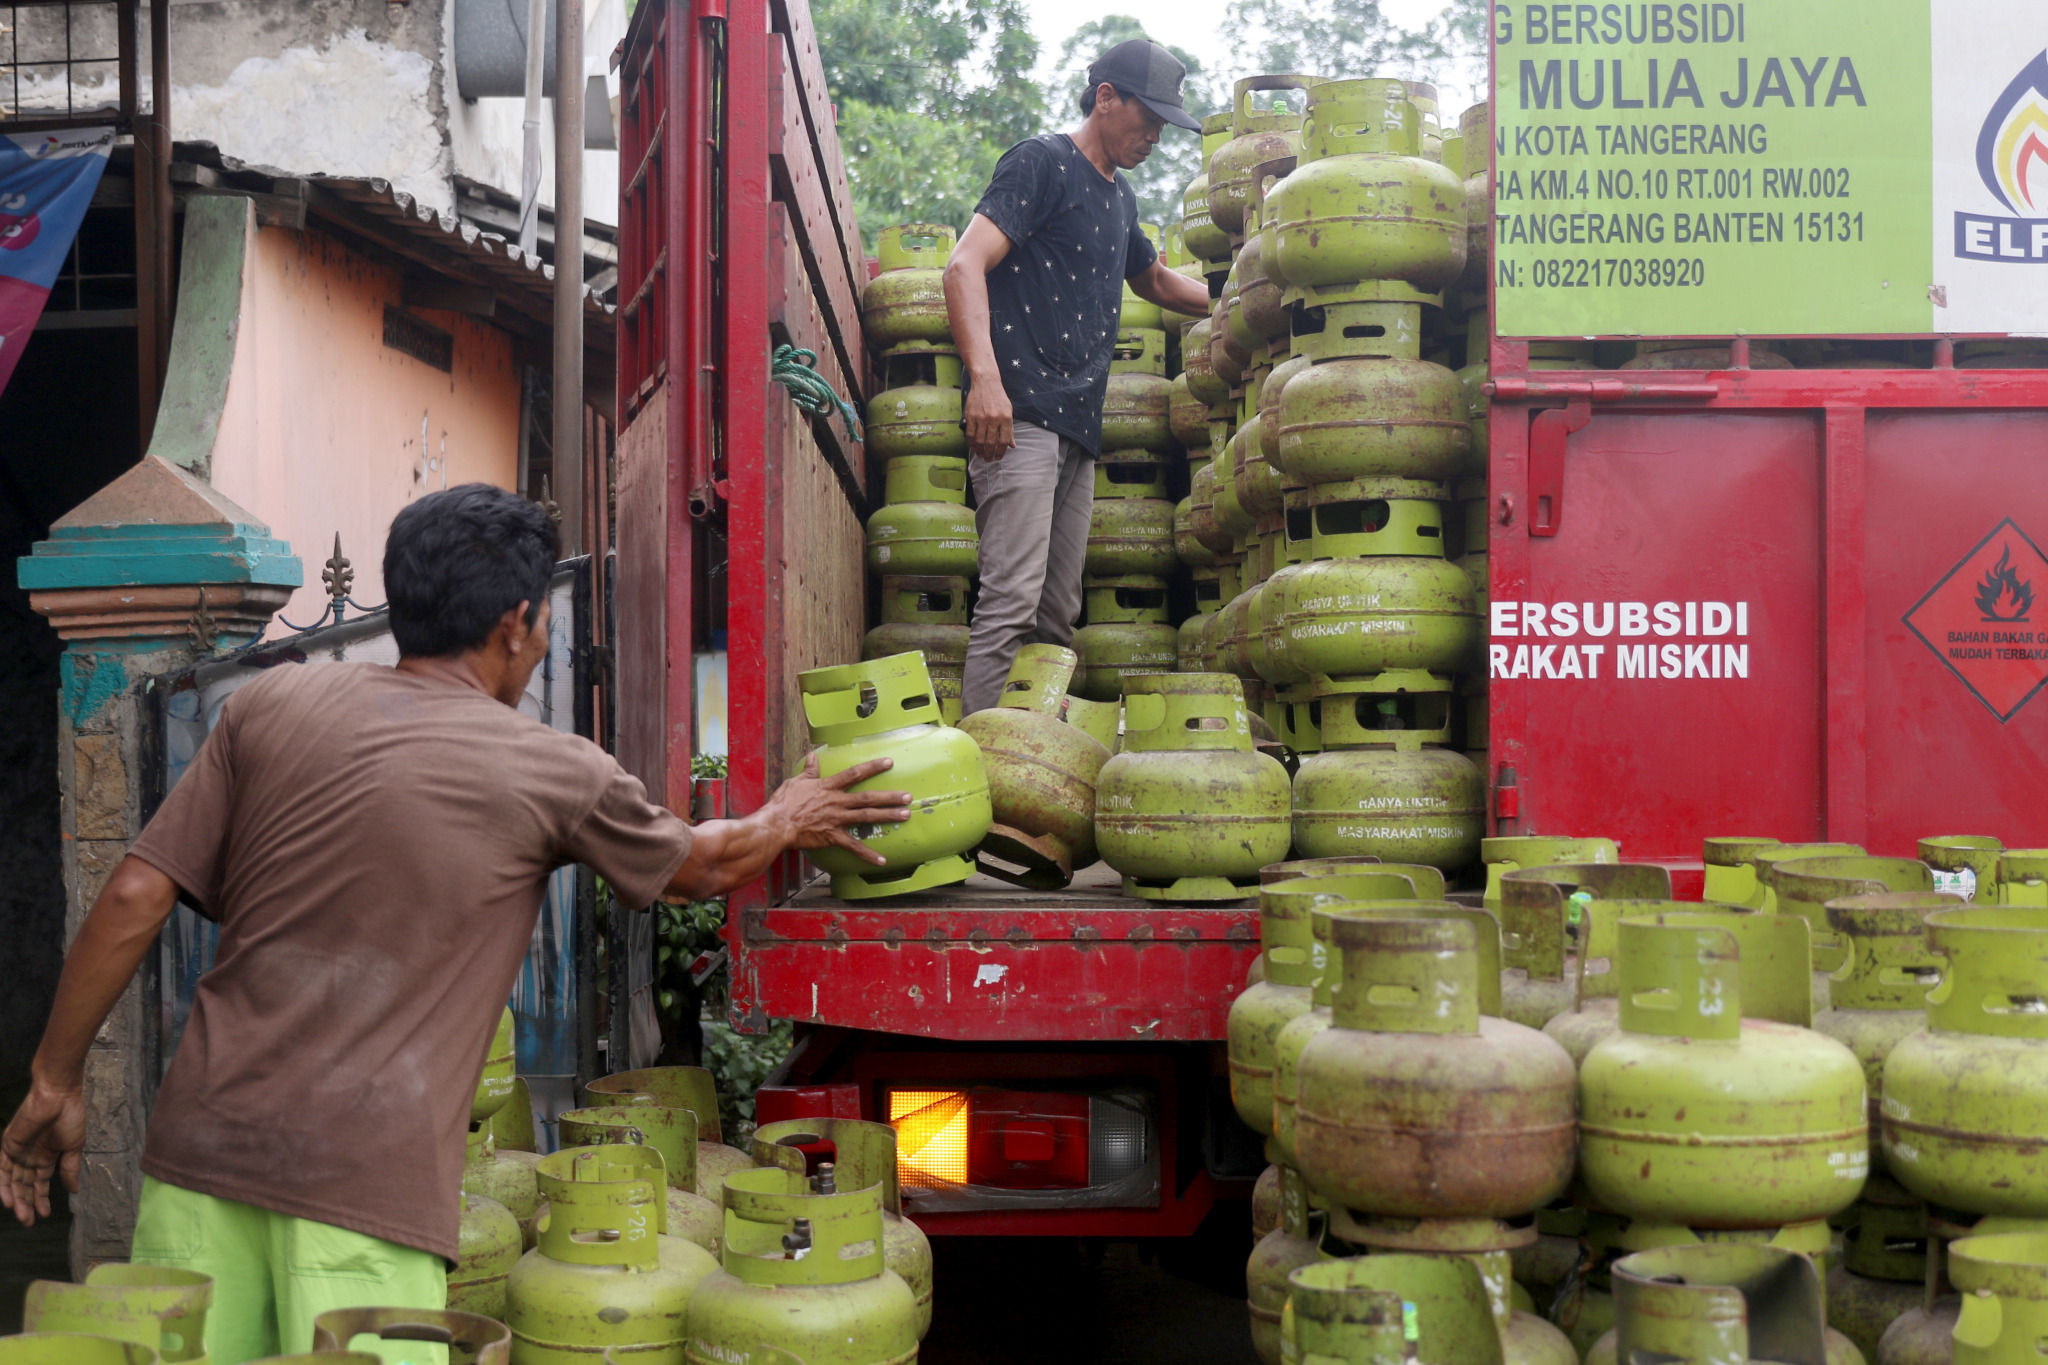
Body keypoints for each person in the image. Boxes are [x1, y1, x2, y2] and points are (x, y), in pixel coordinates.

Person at [0, 484, 911, 1364]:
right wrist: (788, 814)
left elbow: (131, 896)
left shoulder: (270, 705)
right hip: (363, 1198)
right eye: (544, 623)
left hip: (197, 1160)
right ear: (517, 621)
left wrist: (54, 1079)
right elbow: (703, 865)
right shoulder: (553, 769)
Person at [945, 38, 1213, 716]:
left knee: (1056, 618)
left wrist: (1241, 293)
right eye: (1145, 116)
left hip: (1076, 431)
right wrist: (985, 380)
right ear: (1104, 98)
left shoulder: (1119, 201)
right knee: (1009, 604)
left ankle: (1035, 774)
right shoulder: (1041, 164)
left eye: (1163, 124)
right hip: (1018, 418)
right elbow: (962, 265)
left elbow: (1153, 278)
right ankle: (984, 771)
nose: (1153, 134)